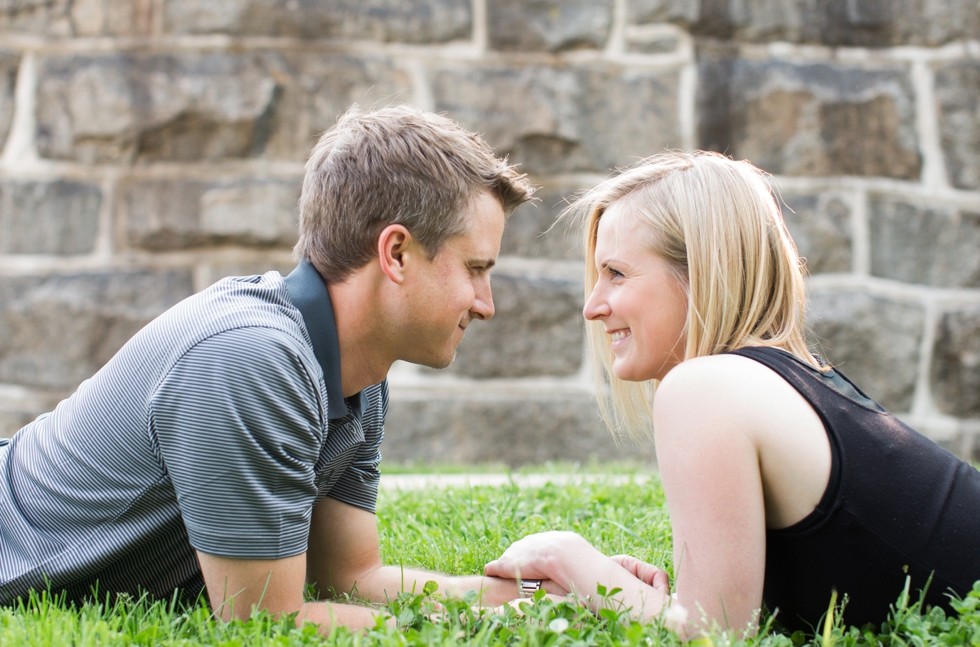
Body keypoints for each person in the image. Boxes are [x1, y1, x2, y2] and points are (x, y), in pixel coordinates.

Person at [0, 105, 537, 630]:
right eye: (474, 269)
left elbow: (351, 578)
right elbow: (265, 623)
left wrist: (531, 593)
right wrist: (489, 631)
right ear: (395, 252)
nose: (485, 303)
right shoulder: (251, 360)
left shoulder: (358, 377)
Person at [484, 151, 980, 636]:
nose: (593, 307)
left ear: (699, 272)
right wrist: (614, 586)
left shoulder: (705, 388)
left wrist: (568, 557)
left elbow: (712, 633)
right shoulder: (773, 381)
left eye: (615, 273)